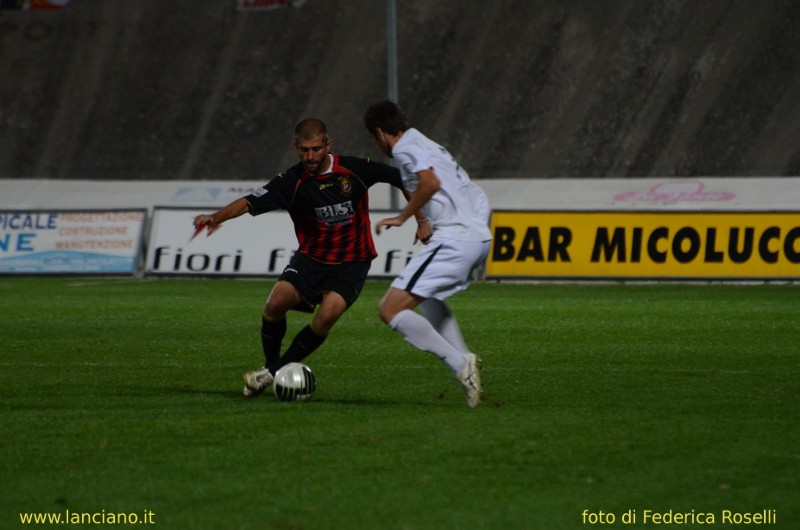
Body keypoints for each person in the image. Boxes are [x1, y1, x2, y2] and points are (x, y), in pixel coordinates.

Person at [193, 118, 408, 398]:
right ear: (296, 147)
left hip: (352, 261)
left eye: (316, 149)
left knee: (326, 316)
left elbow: (402, 177)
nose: (310, 156)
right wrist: (215, 217)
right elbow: (249, 201)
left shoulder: (354, 169)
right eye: (304, 150)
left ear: (327, 145)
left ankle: (269, 374)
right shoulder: (291, 182)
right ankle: (271, 368)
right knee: (275, 302)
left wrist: (421, 218)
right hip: (312, 258)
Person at [363, 100, 492, 407]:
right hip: (475, 236)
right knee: (427, 295)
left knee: (389, 309)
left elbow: (430, 183)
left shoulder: (404, 149)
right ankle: (465, 362)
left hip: (456, 238)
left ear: (379, 133)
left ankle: (460, 364)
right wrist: (427, 220)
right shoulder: (421, 141)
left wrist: (404, 216)